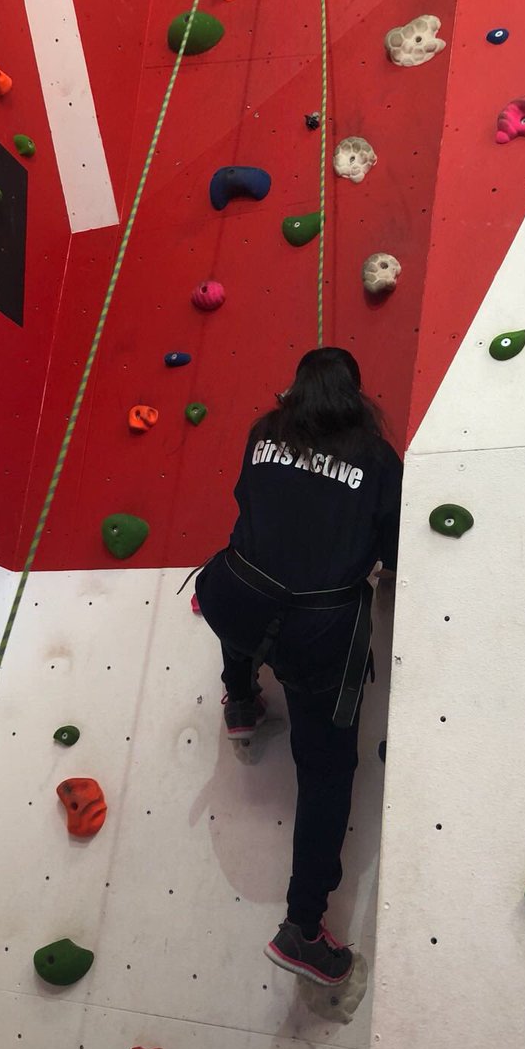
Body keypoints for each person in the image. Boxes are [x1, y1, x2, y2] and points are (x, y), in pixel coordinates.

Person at [193, 347, 402, 987]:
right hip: (319, 633)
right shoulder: (375, 459)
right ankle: (302, 930)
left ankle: (241, 700)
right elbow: (395, 550)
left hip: (237, 596)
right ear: (354, 395)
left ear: (296, 387)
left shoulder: (265, 433)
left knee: (243, 588)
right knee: (328, 772)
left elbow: (246, 503)